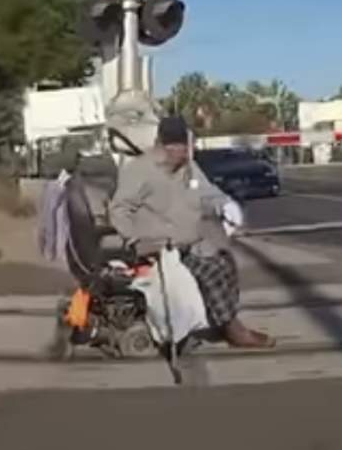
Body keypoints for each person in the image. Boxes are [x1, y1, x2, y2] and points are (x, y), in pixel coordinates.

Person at [108, 116, 274, 349]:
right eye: (179, 147)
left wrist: (224, 204)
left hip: (189, 244)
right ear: (164, 147)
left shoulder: (188, 168)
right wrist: (135, 240)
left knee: (226, 262)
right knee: (213, 271)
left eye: (186, 146)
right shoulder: (140, 171)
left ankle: (222, 320)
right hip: (160, 248)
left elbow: (206, 191)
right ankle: (233, 329)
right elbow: (119, 209)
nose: (184, 152)